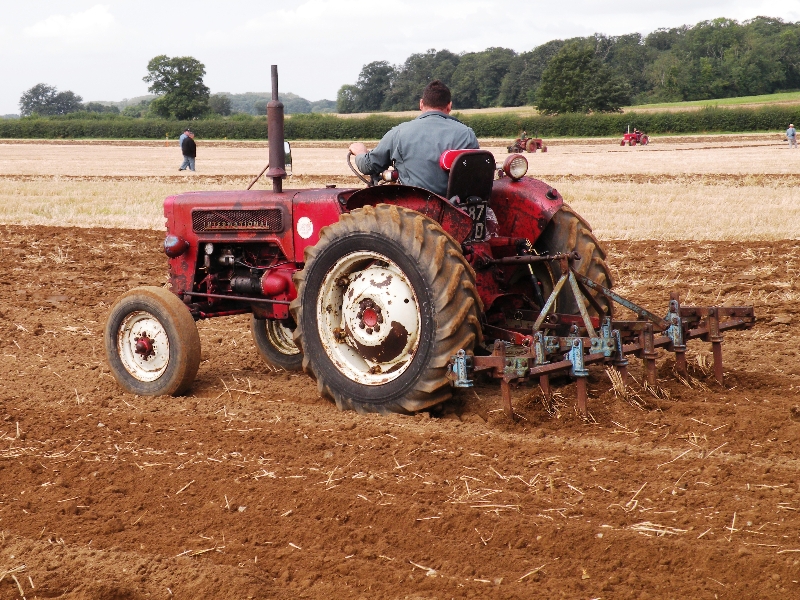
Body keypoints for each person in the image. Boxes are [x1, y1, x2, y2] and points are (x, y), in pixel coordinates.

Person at [349, 80, 479, 197]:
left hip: (415, 210)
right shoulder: (466, 133)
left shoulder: (399, 133)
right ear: (449, 106)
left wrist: (360, 152)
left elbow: (368, 166)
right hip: (458, 209)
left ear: (421, 104)